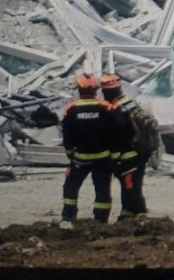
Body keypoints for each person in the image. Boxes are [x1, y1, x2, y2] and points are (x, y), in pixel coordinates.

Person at [60, 73, 114, 228]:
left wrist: (70, 155)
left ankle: (68, 217)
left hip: (80, 159)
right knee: (102, 190)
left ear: (79, 89)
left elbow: (67, 136)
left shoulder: (70, 109)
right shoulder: (106, 108)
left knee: (70, 188)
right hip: (103, 159)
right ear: (96, 89)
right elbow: (115, 132)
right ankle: (101, 222)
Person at [101, 73, 149, 219]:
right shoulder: (130, 103)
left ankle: (135, 214)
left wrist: (114, 159)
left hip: (128, 155)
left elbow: (118, 138)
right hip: (139, 152)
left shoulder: (117, 110)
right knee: (133, 185)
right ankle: (129, 212)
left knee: (130, 186)